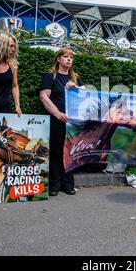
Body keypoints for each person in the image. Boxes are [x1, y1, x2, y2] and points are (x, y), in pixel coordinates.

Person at [39, 48, 84, 196]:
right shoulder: (50, 76)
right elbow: (44, 97)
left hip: (72, 122)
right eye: (65, 56)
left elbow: (85, 96)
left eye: (71, 57)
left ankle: (68, 184)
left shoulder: (76, 77)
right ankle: (54, 185)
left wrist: (75, 87)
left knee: (71, 152)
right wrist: (57, 113)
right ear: (58, 59)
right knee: (56, 152)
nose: (69, 59)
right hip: (55, 121)